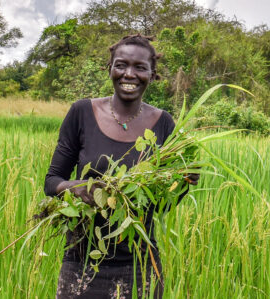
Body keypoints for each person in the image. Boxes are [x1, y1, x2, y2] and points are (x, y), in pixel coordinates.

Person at [44, 34, 194, 299]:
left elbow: (161, 204)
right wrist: (74, 187)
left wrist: (184, 183)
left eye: (140, 67)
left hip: (139, 265)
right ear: (110, 68)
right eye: (121, 65)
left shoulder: (163, 123)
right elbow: (52, 181)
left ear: (152, 73)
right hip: (81, 262)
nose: (129, 74)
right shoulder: (81, 113)